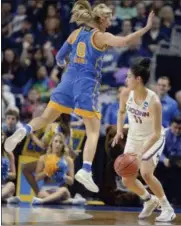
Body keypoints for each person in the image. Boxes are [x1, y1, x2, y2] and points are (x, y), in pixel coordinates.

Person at [5, 0, 155, 193]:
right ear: (101, 19)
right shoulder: (101, 36)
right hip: (86, 85)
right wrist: (146, 27)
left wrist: (64, 64)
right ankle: (85, 170)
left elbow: (59, 57)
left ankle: (23, 130)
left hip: (67, 81)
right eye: (108, 19)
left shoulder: (76, 33)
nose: (110, 22)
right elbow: (125, 42)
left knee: (45, 118)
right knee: (92, 130)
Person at [112, 57, 175, 222]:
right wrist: (119, 130)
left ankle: (167, 208)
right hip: (134, 136)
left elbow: (155, 133)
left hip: (153, 138)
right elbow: (120, 113)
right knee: (126, 178)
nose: (126, 80)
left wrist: (140, 153)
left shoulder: (154, 102)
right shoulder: (126, 93)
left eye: (128, 77)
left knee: (146, 173)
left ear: (138, 79)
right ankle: (149, 200)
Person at [32, 133, 85, 205]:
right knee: (41, 194)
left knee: (63, 190)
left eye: (60, 142)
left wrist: (63, 176)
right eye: (56, 141)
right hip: (46, 189)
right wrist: (47, 171)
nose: (58, 144)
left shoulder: (68, 160)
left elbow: (71, 181)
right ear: (51, 143)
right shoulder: (43, 158)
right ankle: (68, 201)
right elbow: (37, 178)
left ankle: (43, 201)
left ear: (63, 145)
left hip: (61, 190)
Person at [2, 132, 21, 204]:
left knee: (11, 185)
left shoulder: (9, 154)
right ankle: (6, 200)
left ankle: (4, 198)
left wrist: (4, 173)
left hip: (4, 186)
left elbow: (14, 175)